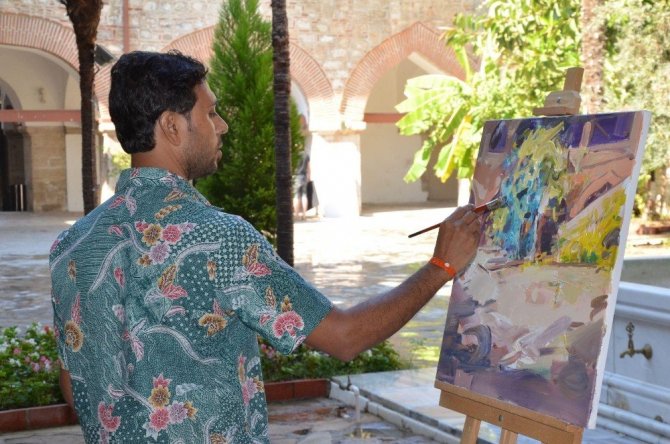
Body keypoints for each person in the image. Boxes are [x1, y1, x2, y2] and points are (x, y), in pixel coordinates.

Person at [49, 50, 481, 443]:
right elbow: (344, 337)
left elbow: (74, 383)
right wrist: (441, 266)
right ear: (172, 126)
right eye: (211, 113)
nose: (222, 125)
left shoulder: (72, 244)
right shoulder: (218, 238)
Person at [293, 151, 310, 220]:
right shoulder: (306, 155)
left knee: (296, 196)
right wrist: (309, 177)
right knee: (304, 196)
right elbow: (309, 167)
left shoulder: (295, 154)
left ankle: (296, 215)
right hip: (304, 176)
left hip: (296, 176)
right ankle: (304, 215)